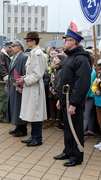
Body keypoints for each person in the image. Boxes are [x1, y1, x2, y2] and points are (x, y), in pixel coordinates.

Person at [53, 29, 91, 167]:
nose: (64, 42)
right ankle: (68, 151)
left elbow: (82, 83)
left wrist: (74, 103)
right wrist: (59, 99)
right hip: (65, 99)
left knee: (75, 128)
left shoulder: (82, 58)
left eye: (66, 40)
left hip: (73, 100)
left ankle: (77, 156)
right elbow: (64, 80)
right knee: (68, 128)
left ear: (74, 41)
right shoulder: (69, 57)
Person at [17, 32, 48, 147]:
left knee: (35, 112)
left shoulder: (38, 54)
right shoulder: (32, 53)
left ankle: (37, 137)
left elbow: (38, 74)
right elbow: (32, 72)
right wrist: (24, 77)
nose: (26, 42)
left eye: (28, 40)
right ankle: (33, 136)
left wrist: (25, 80)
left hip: (35, 88)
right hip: (31, 87)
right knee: (31, 112)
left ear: (33, 41)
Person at [6, 40, 28, 137]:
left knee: (19, 106)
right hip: (12, 85)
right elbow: (10, 73)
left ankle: (23, 129)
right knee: (14, 106)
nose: (12, 48)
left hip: (19, 85)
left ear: (20, 47)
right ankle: (17, 126)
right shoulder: (14, 57)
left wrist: (22, 86)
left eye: (14, 46)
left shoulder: (24, 57)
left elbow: (24, 73)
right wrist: (7, 84)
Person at [0, 41, 12, 123]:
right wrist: (6, 77)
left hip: (3, 80)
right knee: (3, 99)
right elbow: (1, 67)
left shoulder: (5, 55)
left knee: (4, 99)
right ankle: (1, 117)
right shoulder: (2, 55)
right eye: (10, 48)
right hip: (2, 81)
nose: (11, 49)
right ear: (6, 47)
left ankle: (4, 116)